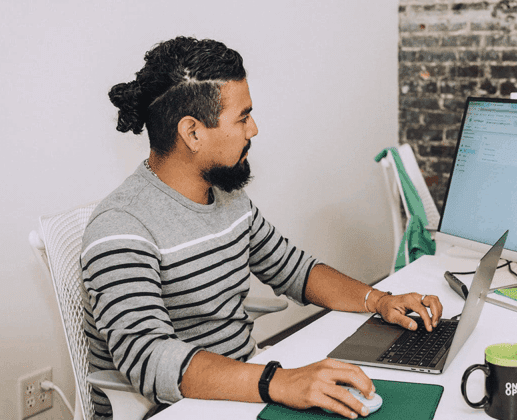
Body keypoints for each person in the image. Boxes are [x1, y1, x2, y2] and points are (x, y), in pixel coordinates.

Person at [81, 36, 443, 419]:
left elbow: (296, 270)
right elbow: (149, 357)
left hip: (241, 391)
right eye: (242, 117)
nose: (253, 129)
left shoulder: (226, 199)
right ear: (192, 132)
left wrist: (380, 300)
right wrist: (280, 382)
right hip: (175, 408)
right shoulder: (120, 228)